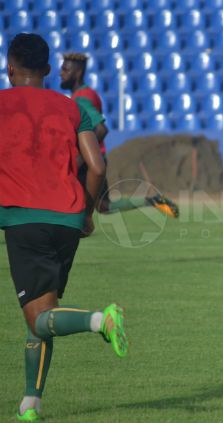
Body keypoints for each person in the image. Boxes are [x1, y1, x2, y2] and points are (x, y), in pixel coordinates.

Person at [0, 34, 128, 422]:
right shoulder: (73, 108)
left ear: (9, 67)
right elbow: (99, 166)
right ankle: (30, 404)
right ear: (49, 70)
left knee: (39, 317)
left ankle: (99, 320)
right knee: (45, 311)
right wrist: (86, 212)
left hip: (25, 218)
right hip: (69, 218)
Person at [60, 52, 179, 226]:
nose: (61, 73)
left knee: (64, 196)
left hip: (88, 162)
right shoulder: (87, 94)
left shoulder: (82, 98)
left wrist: (80, 157)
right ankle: (150, 200)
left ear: (77, 73)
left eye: (65, 69)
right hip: (95, 158)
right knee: (104, 206)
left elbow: (101, 129)